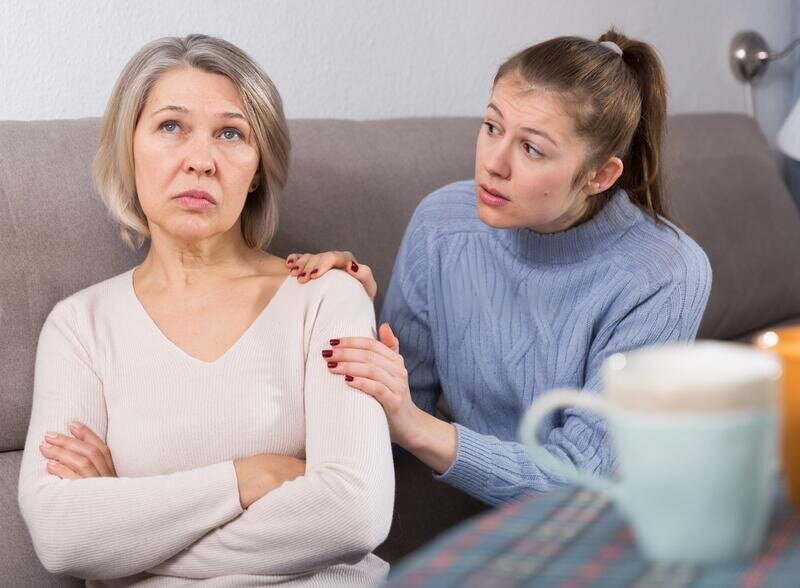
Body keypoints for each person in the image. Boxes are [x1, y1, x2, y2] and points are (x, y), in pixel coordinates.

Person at [18, 34, 393, 587]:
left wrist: (129, 533)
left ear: (258, 168)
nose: (200, 161)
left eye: (230, 134)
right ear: (129, 148)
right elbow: (61, 536)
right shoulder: (80, 325)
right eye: (171, 126)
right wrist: (245, 478)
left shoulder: (326, 296)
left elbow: (353, 514)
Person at [287, 30, 712, 506]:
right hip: (488, 516)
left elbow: (581, 481)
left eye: (531, 149)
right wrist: (346, 306)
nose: (493, 163)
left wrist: (416, 427)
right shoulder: (441, 223)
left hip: (627, 521)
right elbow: (396, 409)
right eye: (492, 126)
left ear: (600, 175)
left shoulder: (665, 272)